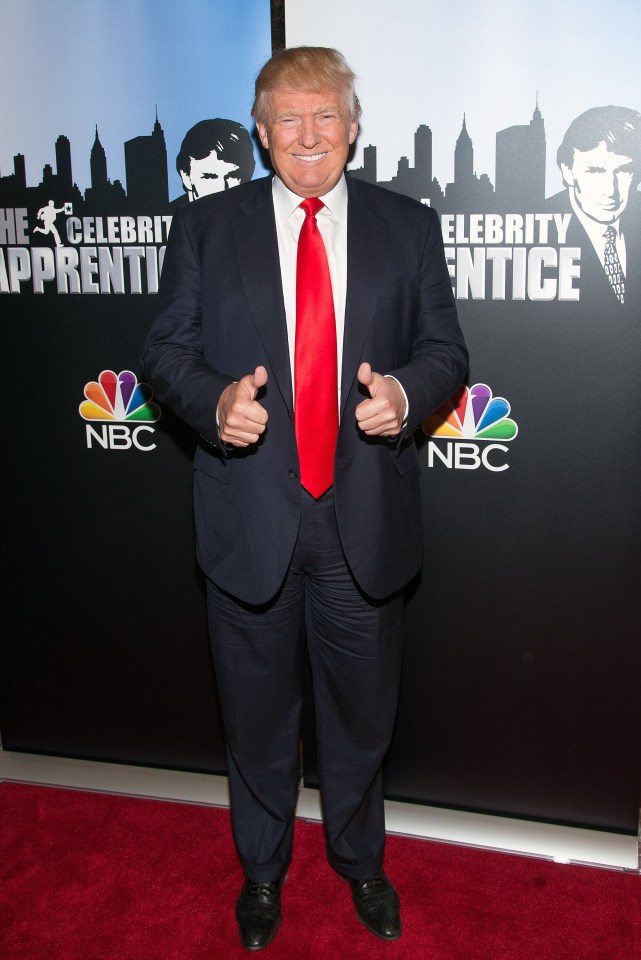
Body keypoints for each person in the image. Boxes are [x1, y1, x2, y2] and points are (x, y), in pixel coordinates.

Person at [143, 46, 468, 951]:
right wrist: (215, 404)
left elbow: (447, 350)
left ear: (353, 126)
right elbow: (164, 351)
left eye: (325, 115)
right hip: (248, 516)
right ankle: (260, 874)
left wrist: (403, 395)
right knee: (254, 718)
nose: (308, 136)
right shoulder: (207, 228)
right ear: (260, 133)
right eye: (287, 119)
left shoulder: (410, 226)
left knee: (363, 716)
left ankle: (361, 863)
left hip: (362, 518)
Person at [547, 105, 641, 308]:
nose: (611, 190)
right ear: (567, 171)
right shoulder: (539, 226)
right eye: (595, 171)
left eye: (624, 171)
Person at [174, 118, 256, 203]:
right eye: (210, 177)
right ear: (186, 177)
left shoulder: (259, 211)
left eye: (233, 176)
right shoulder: (172, 215)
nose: (222, 188)